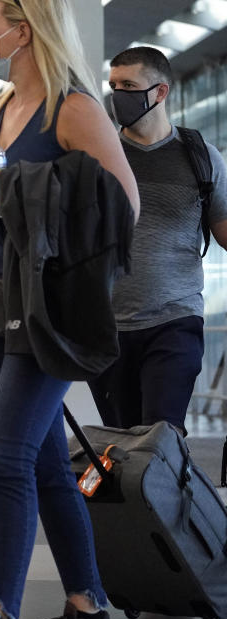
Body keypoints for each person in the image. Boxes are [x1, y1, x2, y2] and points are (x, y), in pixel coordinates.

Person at [0, 1, 140, 619]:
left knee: (5, 455)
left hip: (49, 310)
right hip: (3, 303)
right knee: (48, 465)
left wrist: (32, 188)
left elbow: (123, 206)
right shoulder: (0, 109)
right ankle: (88, 608)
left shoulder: (74, 107)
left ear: (25, 31)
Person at [88, 46, 227, 434]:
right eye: (113, 85)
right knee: (124, 442)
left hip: (175, 317)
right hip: (106, 326)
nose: (118, 95)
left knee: (162, 434)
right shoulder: (100, 157)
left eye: (129, 85)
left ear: (160, 92)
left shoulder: (201, 157)